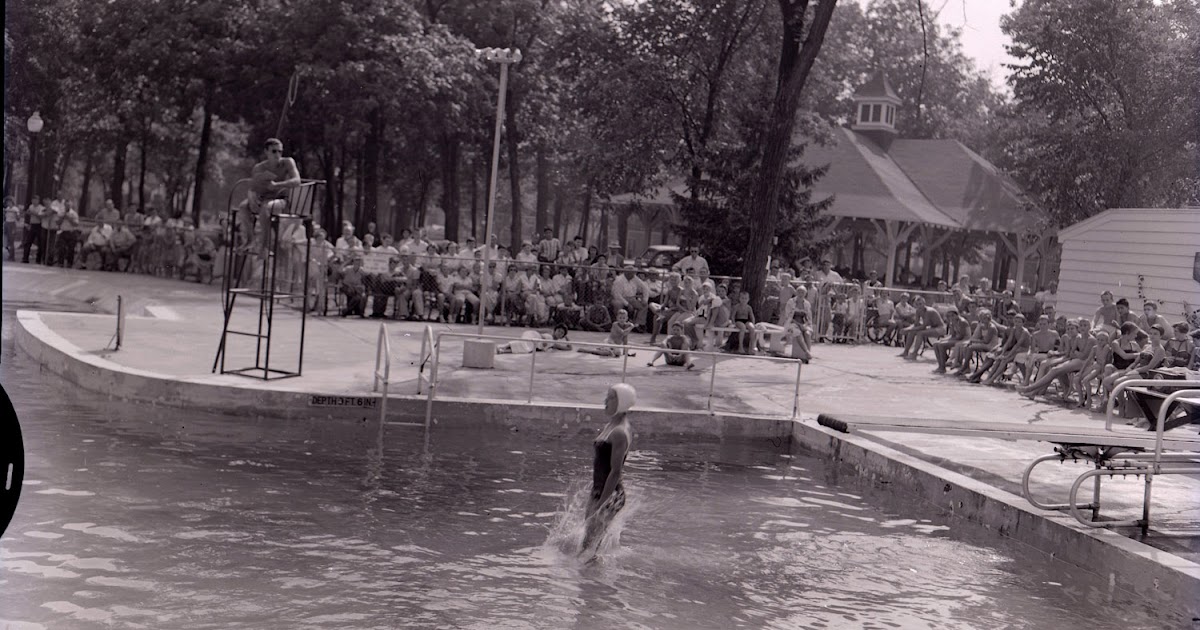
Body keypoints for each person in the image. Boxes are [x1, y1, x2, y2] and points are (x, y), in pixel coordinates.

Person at [581, 383, 636, 556]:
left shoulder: (619, 432)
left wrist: (601, 503)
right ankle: (588, 578)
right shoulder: (612, 425)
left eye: (610, 397)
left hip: (611, 494)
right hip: (600, 490)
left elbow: (616, 471)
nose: (605, 401)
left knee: (591, 545)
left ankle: (590, 577)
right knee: (589, 541)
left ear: (622, 402)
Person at [238, 138, 301, 256]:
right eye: (274, 151)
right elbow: (252, 186)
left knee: (266, 208)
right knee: (243, 207)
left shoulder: (287, 162)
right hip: (263, 197)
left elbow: (297, 181)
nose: (278, 154)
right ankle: (250, 240)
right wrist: (251, 197)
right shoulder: (259, 167)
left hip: (281, 199)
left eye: (280, 151)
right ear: (266, 152)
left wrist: (277, 185)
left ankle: (265, 247)